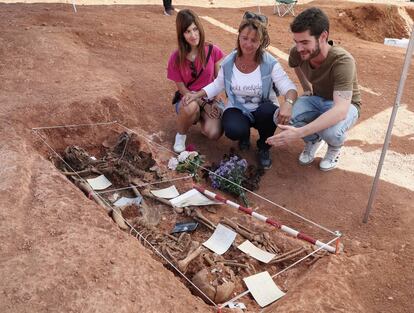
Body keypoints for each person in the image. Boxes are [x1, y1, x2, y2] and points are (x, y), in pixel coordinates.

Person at [183, 12, 297, 169]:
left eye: (254, 40)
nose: (248, 44)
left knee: (269, 112)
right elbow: (218, 84)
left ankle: (264, 148)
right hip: (238, 107)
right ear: (239, 37)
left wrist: (289, 103)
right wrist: (197, 95)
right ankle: (244, 136)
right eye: (244, 38)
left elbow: (289, 87)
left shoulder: (270, 63)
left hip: (263, 107)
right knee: (232, 128)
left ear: (261, 41)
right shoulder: (229, 62)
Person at [266, 7, 361, 171]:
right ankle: (314, 139)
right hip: (316, 98)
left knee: (331, 132)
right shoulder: (297, 52)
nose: (299, 48)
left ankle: (334, 148)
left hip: (345, 105)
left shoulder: (343, 61)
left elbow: (340, 110)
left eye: (304, 42)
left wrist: (299, 132)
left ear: (323, 36)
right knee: (280, 118)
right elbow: (295, 65)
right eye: (296, 41)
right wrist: (306, 87)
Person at [167, 9, 225, 153]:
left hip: (210, 97)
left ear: (200, 28)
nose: (193, 35)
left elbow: (218, 81)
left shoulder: (213, 50)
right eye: (187, 31)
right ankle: (181, 135)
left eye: (195, 29)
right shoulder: (175, 58)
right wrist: (204, 105)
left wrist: (217, 100)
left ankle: (201, 118)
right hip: (189, 99)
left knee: (214, 133)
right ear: (181, 34)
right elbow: (183, 90)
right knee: (190, 106)